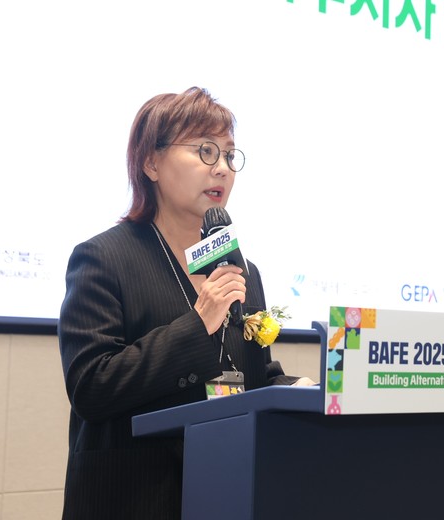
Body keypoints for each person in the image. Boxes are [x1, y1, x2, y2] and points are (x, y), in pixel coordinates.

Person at [58, 86, 311, 519]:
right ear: (151, 163)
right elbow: (92, 387)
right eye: (205, 151)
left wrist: (300, 390)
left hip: (225, 492)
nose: (222, 169)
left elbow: (251, 374)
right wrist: (198, 323)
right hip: (133, 499)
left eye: (229, 155)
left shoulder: (242, 270)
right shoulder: (103, 258)